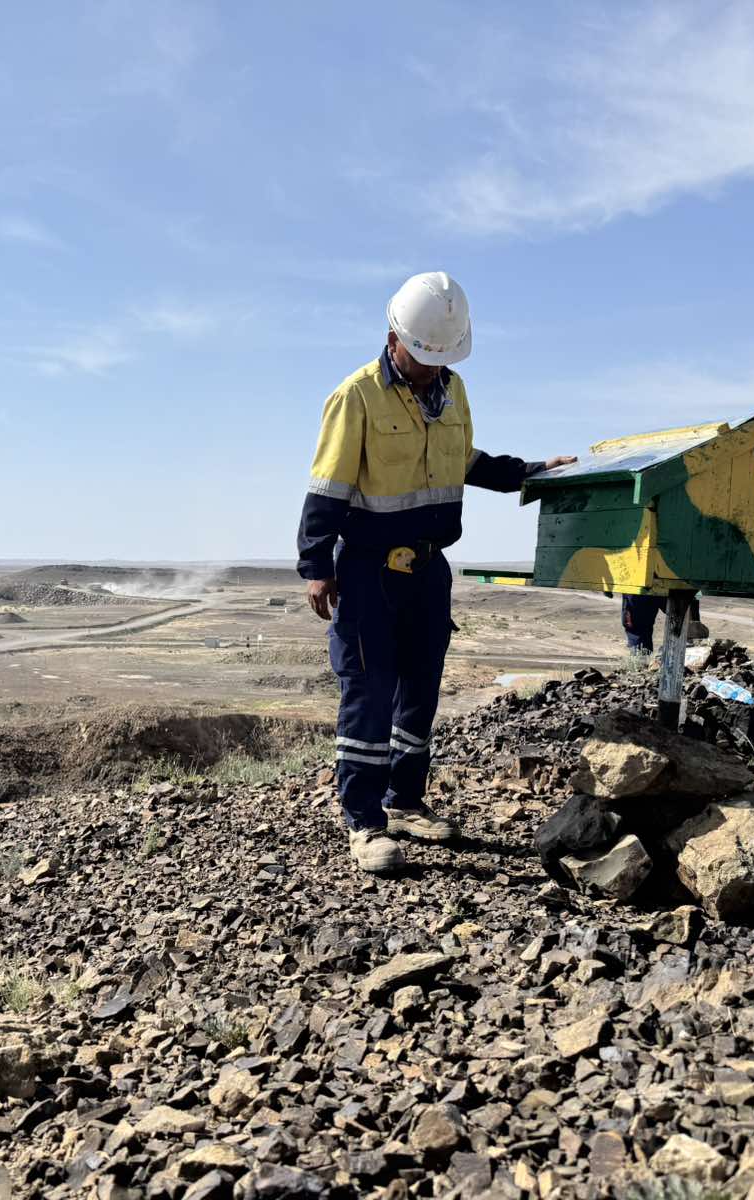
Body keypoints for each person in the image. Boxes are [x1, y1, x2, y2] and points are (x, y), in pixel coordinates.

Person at [297, 271, 577, 873]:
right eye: (423, 355)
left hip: (428, 569)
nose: (431, 367)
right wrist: (316, 563)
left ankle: (405, 802)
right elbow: (328, 486)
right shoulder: (357, 395)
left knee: (420, 688)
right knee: (368, 691)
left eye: (441, 357)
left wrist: (526, 471)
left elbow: (463, 459)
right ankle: (366, 823)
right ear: (394, 335)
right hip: (369, 568)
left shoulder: (454, 390)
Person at [620, 594, 710, 653]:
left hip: (641, 583)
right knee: (688, 628)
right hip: (676, 579)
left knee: (689, 629)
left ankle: (640, 667)